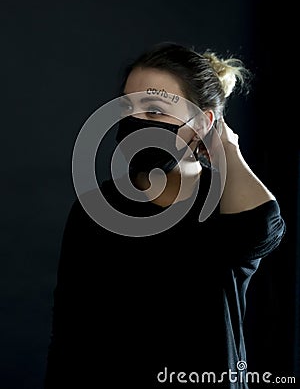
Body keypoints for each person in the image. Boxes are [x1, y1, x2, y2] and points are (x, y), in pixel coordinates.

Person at [44, 42, 286, 389]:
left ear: (203, 121)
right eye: (128, 107)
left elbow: (260, 233)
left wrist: (225, 146)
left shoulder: (225, 202)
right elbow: (68, 329)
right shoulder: (98, 207)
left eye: (155, 110)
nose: (135, 121)